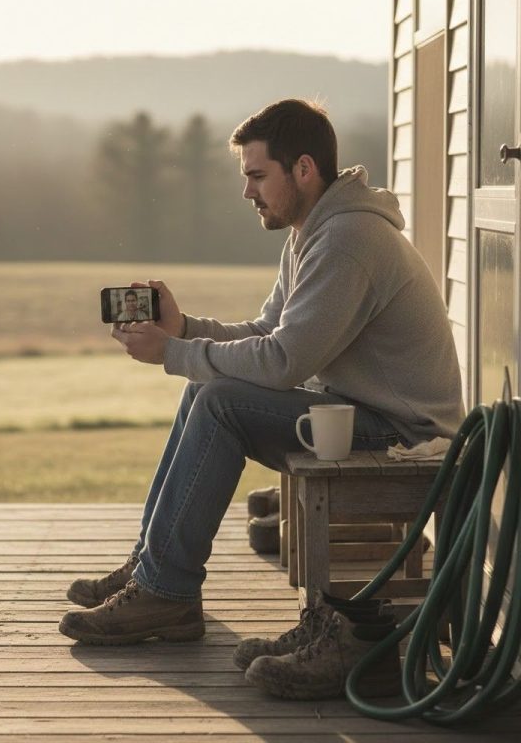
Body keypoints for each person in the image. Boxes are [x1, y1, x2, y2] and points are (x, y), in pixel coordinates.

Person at [58, 98, 464, 647]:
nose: (247, 191)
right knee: (208, 390)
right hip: (357, 415)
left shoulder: (348, 240)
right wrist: (184, 330)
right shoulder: (313, 232)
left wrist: (175, 355)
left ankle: (166, 591)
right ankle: (153, 571)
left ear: (303, 168)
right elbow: (268, 331)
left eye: (256, 176)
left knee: (219, 400)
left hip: (405, 437)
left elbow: (283, 362)